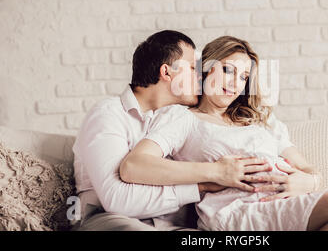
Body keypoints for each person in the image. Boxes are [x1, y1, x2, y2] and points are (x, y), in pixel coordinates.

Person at [120, 36, 328, 231]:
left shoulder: (260, 119)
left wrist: (310, 182)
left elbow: (305, 166)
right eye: (227, 70)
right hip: (237, 210)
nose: (234, 83)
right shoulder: (183, 118)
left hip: (286, 202)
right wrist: (213, 171)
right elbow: (134, 166)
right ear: (205, 68)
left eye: (242, 77)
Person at [72, 30, 275, 231]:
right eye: (193, 68)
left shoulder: (179, 121)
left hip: (172, 226)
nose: (200, 76)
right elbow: (117, 200)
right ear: (167, 72)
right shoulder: (109, 114)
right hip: (110, 220)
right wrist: (204, 182)